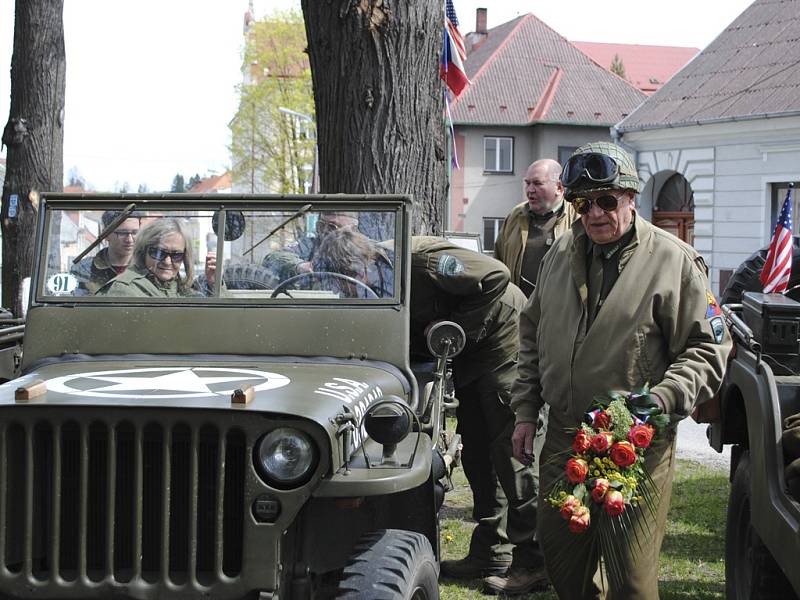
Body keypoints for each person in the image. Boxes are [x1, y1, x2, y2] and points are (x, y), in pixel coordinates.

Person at [509, 141, 732, 598]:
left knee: (630, 578)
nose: (595, 213)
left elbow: (709, 346)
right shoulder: (559, 255)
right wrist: (526, 410)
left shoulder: (674, 261)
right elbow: (531, 332)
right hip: (565, 436)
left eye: (607, 200)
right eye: (584, 203)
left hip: (634, 440)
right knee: (564, 568)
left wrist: (664, 398)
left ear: (631, 198)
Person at [410, 236, 547, 595]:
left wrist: (457, 330)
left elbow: (496, 276)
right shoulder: (378, 274)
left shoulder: (418, 260)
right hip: (472, 356)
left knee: (513, 455)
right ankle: (492, 551)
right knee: (478, 456)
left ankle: (535, 561)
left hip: (504, 347)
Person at [493, 159, 576, 298]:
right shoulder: (515, 216)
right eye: (527, 183)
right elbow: (498, 263)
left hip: (559, 312)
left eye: (538, 183)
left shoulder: (578, 218)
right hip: (519, 312)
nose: (530, 190)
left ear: (559, 188)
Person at [96, 218, 206, 297]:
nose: (167, 262)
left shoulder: (181, 288)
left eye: (176, 255)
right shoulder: (124, 290)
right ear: (144, 251)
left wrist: (214, 284)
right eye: (159, 253)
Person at [70, 210, 141, 294]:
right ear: (106, 234)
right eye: (122, 233)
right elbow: (76, 304)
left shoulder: (148, 268)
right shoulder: (84, 270)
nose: (129, 239)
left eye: (135, 233)